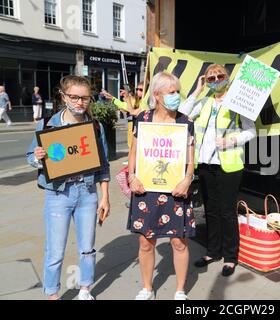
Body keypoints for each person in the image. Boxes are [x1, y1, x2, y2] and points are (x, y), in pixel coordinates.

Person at [26, 75, 111, 300]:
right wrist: (37, 157)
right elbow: (30, 157)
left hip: (87, 193)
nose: (80, 102)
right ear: (63, 96)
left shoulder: (95, 126)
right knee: (54, 249)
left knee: (87, 247)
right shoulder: (47, 125)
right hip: (58, 194)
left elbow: (103, 165)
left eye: (85, 98)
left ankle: (85, 288)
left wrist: (105, 198)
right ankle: (52, 294)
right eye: (74, 97)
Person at [179, 64, 256, 277]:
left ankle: (231, 257)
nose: (215, 80)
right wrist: (197, 91)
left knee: (227, 212)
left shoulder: (238, 102)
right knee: (210, 210)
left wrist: (231, 140)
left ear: (227, 78)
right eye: (210, 78)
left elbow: (251, 131)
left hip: (229, 165)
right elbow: (181, 116)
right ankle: (212, 251)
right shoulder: (203, 101)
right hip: (205, 164)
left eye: (219, 76)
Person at [127, 71, 195, 300]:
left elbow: (190, 160)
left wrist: (187, 179)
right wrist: (132, 177)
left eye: (178, 91)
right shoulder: (143, 119)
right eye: (171, 92)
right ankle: (147, 287)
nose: (176, 96)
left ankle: (180, 290)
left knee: (178, 241)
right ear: (157, 95)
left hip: (176, 190)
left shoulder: (186, 122)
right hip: (145, 190)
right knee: (146, 242)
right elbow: (134, 152)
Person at [102, 82, 147, 148]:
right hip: (132, 128)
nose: (138, 91)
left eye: (141, 90)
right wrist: (112, 98)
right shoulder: (136, 100)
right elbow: (124, 105)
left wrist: (128, 98)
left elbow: (133, 112)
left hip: (142, 131)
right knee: (131, 146)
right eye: (137, 89)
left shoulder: (146, 103)